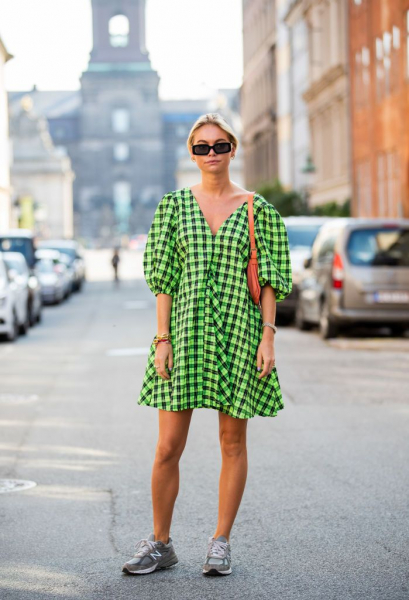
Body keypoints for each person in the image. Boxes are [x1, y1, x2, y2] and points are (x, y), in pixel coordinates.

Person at [122, 113, 292, 577]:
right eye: (202, 147)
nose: (211, 153)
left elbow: (270, 280)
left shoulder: (258, 210)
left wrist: (268, 336)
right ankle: (160, 542)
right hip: (184, 335)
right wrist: (162, 339)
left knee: (232, 442)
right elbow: (164, 279)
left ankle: (221, 542)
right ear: (192, 154)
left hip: (239, 333)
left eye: (219, 145)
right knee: (167, 446)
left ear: (233, 149)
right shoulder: (174, 207)